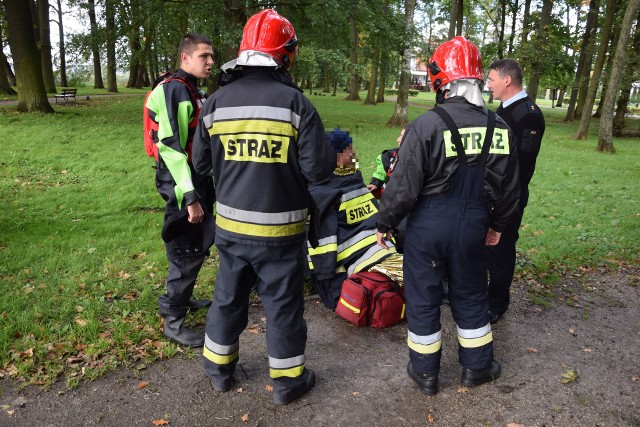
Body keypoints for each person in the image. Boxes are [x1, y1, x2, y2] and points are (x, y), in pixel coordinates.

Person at [191, 9, 335, 405]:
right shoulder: (296, 104)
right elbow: (320, 170)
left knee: (227, 298)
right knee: (284, 306)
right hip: (281, 233)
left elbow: (201, 165)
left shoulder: (215, 103)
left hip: (232, 231)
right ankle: (288, 383)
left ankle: (219, 372)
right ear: (284, 54)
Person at [375, 36, 520, 396]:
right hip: (474, 225)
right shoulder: (500, 128)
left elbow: (404, 183)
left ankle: (425, 373)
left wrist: (385, 222)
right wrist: (498, 226)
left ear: (442, 80)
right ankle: (477, 368)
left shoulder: (427, 125)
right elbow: (510, 189)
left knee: (423, 296)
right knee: (471, 294)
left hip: (428, 225)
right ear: (477, 79)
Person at [145, 33, 216, 348]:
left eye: (211, 56)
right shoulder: (176, 90)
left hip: (193, 176)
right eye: (204, 56)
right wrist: (190, 197)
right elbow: (171, 147)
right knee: (186, 246)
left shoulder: (188, 87)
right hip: (181, 180)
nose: (210, 62)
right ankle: (172, 320)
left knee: (197, 241)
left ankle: (182, 300)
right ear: (185, 58)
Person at [307, 128, 398, 309]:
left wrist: (325, 280)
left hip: (354, 266)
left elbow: (322, 244)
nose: (353, 154)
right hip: (386, 253)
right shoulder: (354, 180)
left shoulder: (322, 191)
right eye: (349, 149)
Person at [485, 59, 545, 324]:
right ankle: (480, 294)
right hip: (490, 192)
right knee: (484, 246)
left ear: (507, 80)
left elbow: (522, 166)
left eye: (491, 79)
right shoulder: (505, 107)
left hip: (508, 197)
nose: (488, 85)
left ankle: (497, 303)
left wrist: (503, 199)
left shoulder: (528, 114)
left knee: (501, 249)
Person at [367, 126, 406, 199]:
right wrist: (376, 183)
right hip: (388, 199)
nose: (397, 140)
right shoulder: (393, 155)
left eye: (402, 136)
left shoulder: (421, 160)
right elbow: (382, 166)